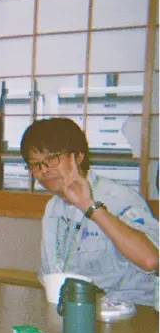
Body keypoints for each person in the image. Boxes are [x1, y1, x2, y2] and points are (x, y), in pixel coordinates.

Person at [20, 117, 160, 305]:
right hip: (79, 308)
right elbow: (52, 272)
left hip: (134, 310)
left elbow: (151, 260)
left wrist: (89, 206)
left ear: (78, 156)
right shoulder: (53, 208)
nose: (43, 171)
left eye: (51, 159)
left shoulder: (118, 198)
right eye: (35, 164)